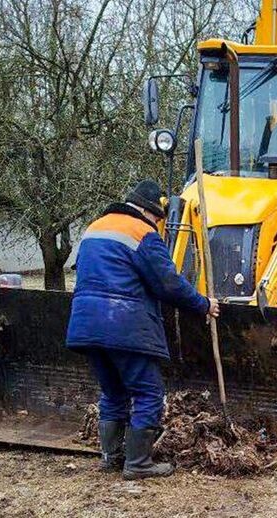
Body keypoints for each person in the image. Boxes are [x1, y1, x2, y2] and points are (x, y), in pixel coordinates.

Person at [65, 180, 219, 480]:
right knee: (148, 392)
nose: (158, 224)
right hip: (122, 324)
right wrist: (203, 304)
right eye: (158, 219)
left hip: (85, 324)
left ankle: (111, 457)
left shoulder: (94, 228)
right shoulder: (142, 233)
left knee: (113, 392)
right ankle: (138, 464)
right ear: (149, 212)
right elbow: (168, 284)